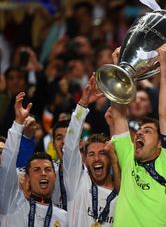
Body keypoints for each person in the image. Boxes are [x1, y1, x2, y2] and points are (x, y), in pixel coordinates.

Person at [110, 43, 166, 226]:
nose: (139, 134)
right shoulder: (128, 157)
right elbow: (118, 115)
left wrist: (165, 67)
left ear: (161, 144)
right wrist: (121, 69)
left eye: (148, 131)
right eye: (139, 131)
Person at [0, 92, 67, 226]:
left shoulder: (65, 218)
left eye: (48, 169)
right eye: (37, 169)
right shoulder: (13, 205)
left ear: (55, 176)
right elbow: (7, 164)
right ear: (27, 179)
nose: (43, 173)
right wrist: (18, 123)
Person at [62, 74, 120, 226]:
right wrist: (82, 104)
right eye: (91, 154)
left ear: (110, 158)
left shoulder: (123, 192)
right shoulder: (77, 182)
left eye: (102, 153)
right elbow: (70, 145)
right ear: (84, 159)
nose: (96, 159)